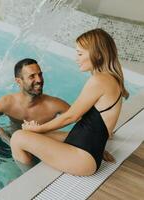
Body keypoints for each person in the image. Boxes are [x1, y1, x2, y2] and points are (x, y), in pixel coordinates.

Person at [10, 28, 127, 176]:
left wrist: (39, 129)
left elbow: (71, 116)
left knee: (18, 138)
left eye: (80, 54)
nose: (76, 58)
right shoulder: (110, 78)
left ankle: (29, 179)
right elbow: (101, 125)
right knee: (31, 134)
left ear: (96, 54)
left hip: (83, 157)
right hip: (86, 146)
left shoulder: (99, 80)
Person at [0, 58, 70, 133]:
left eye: (40, 75)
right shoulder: (6, 103)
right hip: (10, 139)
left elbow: (78, 118)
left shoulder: (54, 106)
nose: (39, 80)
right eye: (32, 76)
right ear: (19, 81)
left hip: (40, 142)